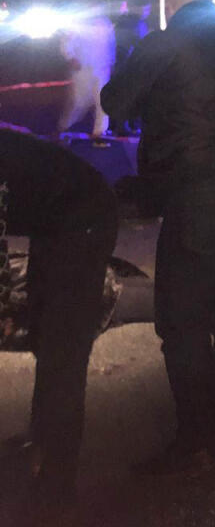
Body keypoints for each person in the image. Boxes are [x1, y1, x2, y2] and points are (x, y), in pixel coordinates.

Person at [100, 0, 215, 473]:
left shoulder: (166, 42)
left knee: (182, 318)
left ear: (172, 6)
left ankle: (196, 441)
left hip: (195, 194)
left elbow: (114, 102)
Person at [0, 125, 120, 512]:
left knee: (62, 354)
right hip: (53, 223)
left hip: (85, 218)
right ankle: (41, 442)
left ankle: (56, 487)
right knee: (43, 335)